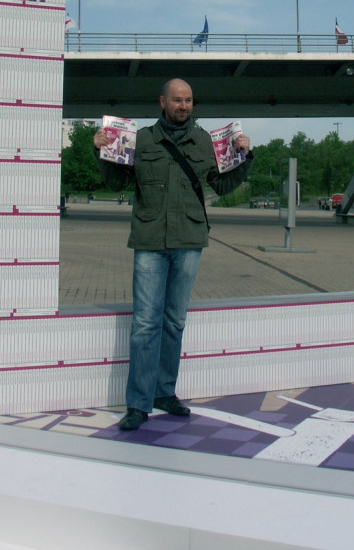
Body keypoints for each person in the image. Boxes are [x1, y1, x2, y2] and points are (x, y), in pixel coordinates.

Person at [93, 78, 252, 431]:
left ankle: (165, 392)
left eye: (189, 101)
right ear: (162, 102)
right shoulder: (141, 139)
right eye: (177, 100)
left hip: (189, 240)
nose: (184, 106)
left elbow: (222, 186)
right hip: (150, 239)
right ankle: (138, 403)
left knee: (174, 321)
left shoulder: (205, 142)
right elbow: (117, 184)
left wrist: (245, 156)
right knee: (145, 324)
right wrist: (101, 150)